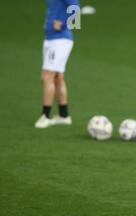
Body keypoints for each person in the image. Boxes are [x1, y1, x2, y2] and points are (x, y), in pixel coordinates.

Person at [35, 0, 80, 129]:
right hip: (51, 39)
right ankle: (64, 116)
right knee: (58, 78)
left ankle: (45, 116)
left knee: (46, 77)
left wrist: (63, 24)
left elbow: (76, 8)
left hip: (60, 40)